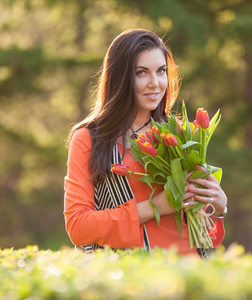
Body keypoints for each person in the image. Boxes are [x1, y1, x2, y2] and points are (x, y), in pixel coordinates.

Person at [64, 29, 227, 256]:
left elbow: (206, 238)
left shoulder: (179, 136)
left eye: (161, 71)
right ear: (120, 77)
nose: (155, 83)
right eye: (142, 73)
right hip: (134, 279)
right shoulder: (89, 140)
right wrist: (157, 206)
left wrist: (218, 208)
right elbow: (78, 227)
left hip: (190, 271)